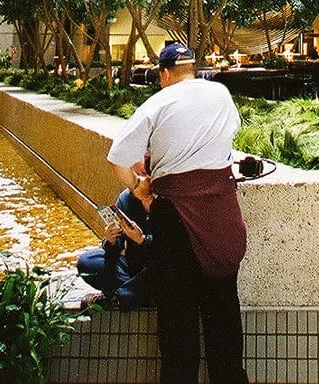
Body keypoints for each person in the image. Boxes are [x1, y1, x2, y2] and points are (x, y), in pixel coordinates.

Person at [107, 41, 249, 384]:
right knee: (224, 314)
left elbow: (117, 159)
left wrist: (139, 188)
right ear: (192, 70)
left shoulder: (157, 102)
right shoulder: (221, 93)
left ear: (164, 74)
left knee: (177, 321)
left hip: (174, 218)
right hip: (221, 214)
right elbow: (226, 139)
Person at [76, 180, 152, 309]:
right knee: (87, 261)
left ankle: (122, 296)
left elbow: (174, 247)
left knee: (162, 267)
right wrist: (111, 240)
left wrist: (143, 240)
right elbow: (117, 247)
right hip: (132, 267)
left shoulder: (168, 199)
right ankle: (134, 294)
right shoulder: (126, 198)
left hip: (158, 267)